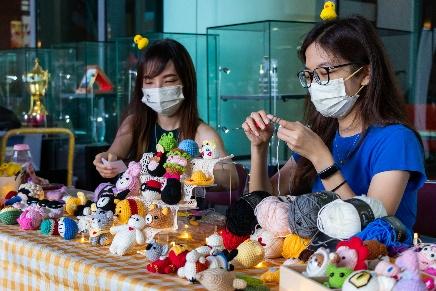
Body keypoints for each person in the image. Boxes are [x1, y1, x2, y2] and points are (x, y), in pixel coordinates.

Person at [242, 16, 426, 230]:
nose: (315, 85)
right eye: (310, 75)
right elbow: (263, 205)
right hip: (319, 258)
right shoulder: (322, 134)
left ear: (365, 73)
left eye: (324, 72)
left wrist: (321, 159)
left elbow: (374, 229)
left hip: (379, 261)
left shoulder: (397, 139)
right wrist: (259, 148)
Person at [94, 39, 238, 189]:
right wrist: (105, 160)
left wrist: (186, 167)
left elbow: (231, 178)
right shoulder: (134, 124)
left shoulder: (201, 133)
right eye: (149, 82)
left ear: (186, 83)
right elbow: (113, 155)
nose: (158, 89)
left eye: (168, 81)